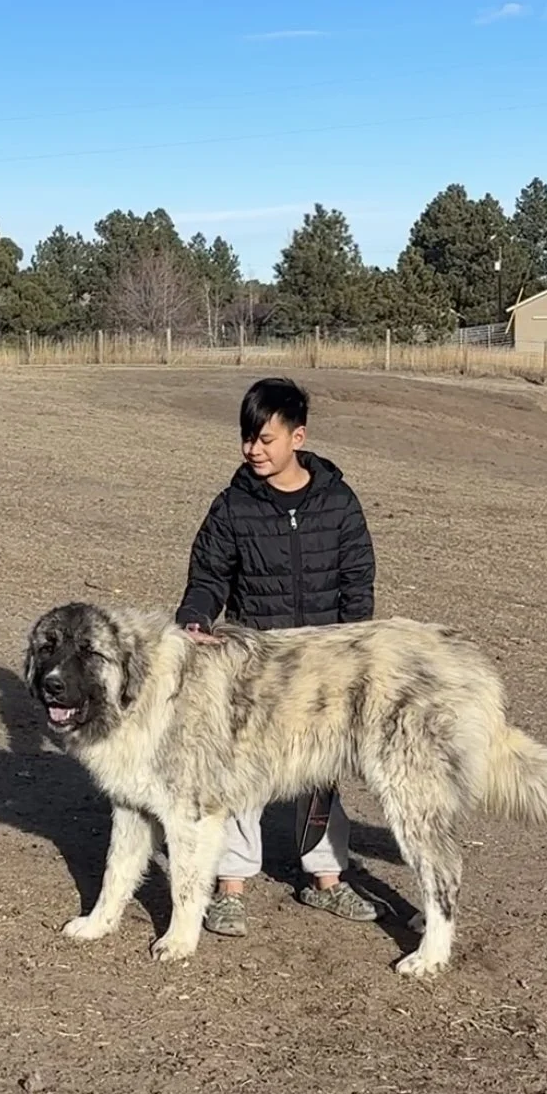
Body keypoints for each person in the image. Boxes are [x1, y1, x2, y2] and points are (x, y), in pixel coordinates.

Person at [174, 375, 382, 938]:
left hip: (323, 665)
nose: (253, 450)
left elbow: (357, 581)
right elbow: (208, 578)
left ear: (298, 437)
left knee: (322, 772)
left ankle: (326, 879)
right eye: (247, 438)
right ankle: (231, 887)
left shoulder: (338, 501)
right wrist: (194, 622)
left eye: (265, 439)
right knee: (241, 772)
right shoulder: (232, 507)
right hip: (255, 665)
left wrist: (352, 647)